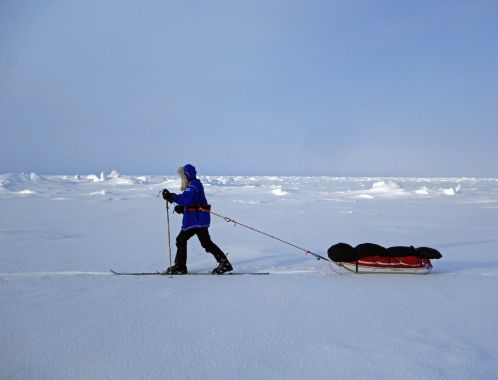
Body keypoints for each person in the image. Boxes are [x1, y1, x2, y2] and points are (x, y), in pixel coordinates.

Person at [162, 164, 233, 275]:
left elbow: (187, 199)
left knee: (184, 240)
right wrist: (183, 208)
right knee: (204, 242)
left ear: (187, 175)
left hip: (197, 220)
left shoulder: (193, 185)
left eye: (183, 175)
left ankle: (181, 266)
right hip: (196, 219)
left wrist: (172, 197)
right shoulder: (193, 184)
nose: (182, 178)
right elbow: (192, 201)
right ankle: (224, 263)